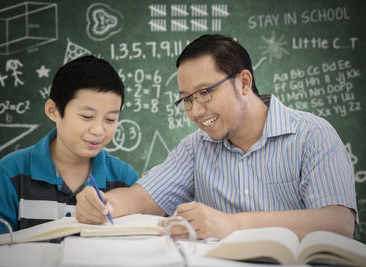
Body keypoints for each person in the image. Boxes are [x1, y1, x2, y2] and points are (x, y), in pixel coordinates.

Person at [75, 35, 357, 240]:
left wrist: (232, 225)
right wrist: (103, 204)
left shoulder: (312, 134)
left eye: (205, 92)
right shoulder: (195, 148)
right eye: (186, 100)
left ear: (244, 82)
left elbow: (339, 222)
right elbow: (141, 197)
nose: (196, 111)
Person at [0, 55, 138, 235]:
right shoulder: (9, 173)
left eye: (110, 119)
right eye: (87, 116)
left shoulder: (125, 179)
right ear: (53, 111)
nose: (98, 130)